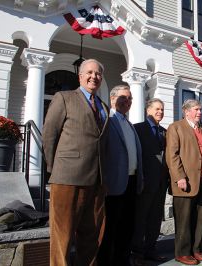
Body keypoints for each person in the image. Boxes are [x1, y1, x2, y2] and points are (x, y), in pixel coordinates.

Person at [43, 59, 109, 265]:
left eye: (98, 73)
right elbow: (49, 135)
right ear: (80, 76)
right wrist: (55, 168)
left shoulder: (104, 105)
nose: (94, 77)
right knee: (63, 235)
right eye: (89, 72)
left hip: (96, 181)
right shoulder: (64, 98)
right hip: (67, 178)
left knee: (92, 235)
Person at [97, 85, 144, 265]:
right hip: (113, 185)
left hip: (131, 182)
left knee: (127, 227)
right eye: (123, 98)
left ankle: (122, 260)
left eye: (130, 98)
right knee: (110, 229)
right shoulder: (107, 122)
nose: (128, 102)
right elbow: (101, 153)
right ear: (113, 99)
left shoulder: (129, 124)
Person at [166, 99, 202, 265]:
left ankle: (196, 249)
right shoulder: (176, 127)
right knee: (184, 219)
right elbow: (172, 155)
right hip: (184, 182)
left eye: (200, 110)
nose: (200, 113)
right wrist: (179, 177)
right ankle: (182, 252)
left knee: (200, 218)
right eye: (196, 110)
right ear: (186, 112)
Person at [131, 98, 169, 264]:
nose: (160, 112)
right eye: (157, 109)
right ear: (148, 110)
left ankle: (150, 250)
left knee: (155, 219)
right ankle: (137, 253)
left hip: (161, 184)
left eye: (162, 109)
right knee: (140, 219)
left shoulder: (165, 132)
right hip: (144, 183)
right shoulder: (137, 129)